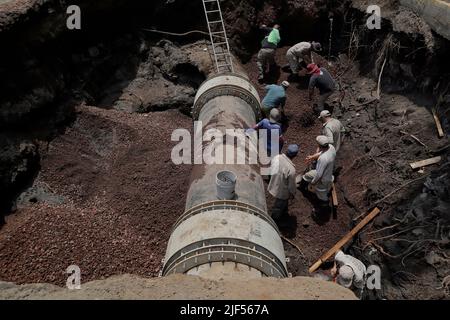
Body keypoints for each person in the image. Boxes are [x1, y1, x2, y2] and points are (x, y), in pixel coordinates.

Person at [299, 136, 336, 205]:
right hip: (329, 172)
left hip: (324, 178)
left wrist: (313, 182)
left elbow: (319, 174)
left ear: (319, 145)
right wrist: (312, 157)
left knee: (320, 192)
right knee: (307, 175)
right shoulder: (331, 147)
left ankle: (325, 204)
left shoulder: (323, 159)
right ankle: (302, 187)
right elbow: (321, 152)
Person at [268, 144, 299, 224]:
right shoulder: (291, 169)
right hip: (281, 191)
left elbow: (271, 167)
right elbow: (291, 185)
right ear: (295, 155)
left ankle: (284, 210)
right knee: (279, 205)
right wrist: (293, 193)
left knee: (282, 203)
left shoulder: (277, 157)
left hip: (273, 183)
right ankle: (274, 220)